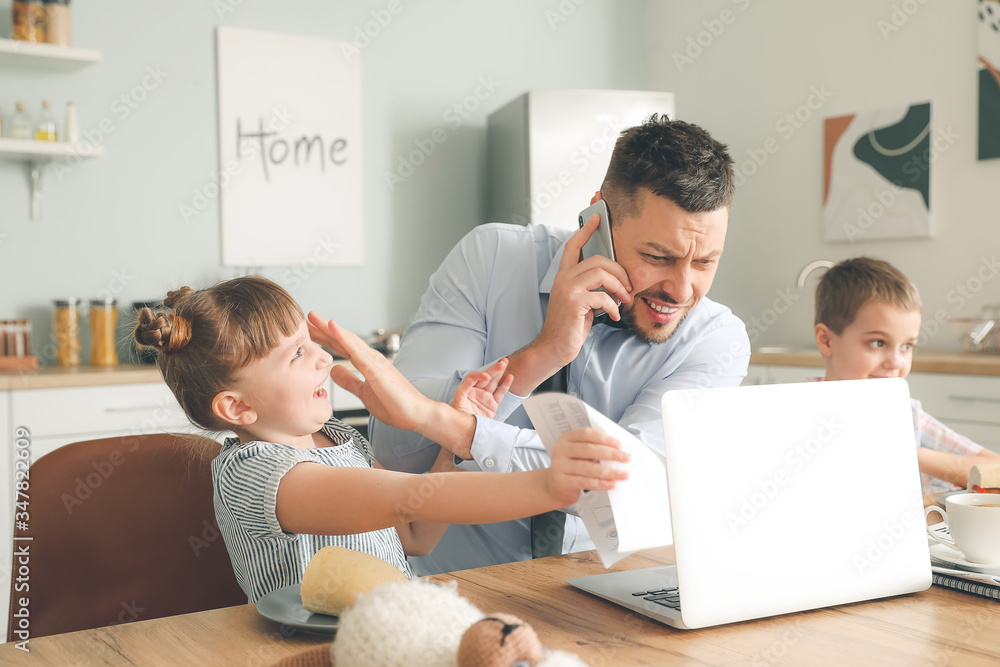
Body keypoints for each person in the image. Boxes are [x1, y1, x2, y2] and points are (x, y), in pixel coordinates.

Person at [369, 114, 751, 574]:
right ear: (598, 220)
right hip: (451, 591)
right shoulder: (490, 259)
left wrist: (465, 432)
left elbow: (626, 492)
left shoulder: (713, 340)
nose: (682, 290)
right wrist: (542, 354)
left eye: (705, 262)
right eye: (657, 257)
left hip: (600, 600)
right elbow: (395, 448)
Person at [133, 276, 629, 603]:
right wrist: (546, 485)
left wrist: (453, 439)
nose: (323, 359)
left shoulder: (337, 439)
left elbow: (413, 536)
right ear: (237, 408)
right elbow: (400, 501)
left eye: (312, 345)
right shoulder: (256, 474)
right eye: (295, 356)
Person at [813, 257, 1000, 503]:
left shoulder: (910, 416)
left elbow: (994, 470)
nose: (896, 362)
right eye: (878, 343)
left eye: (907, 346)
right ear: (826, 341)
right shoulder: (800, 411)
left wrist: (907, 455)